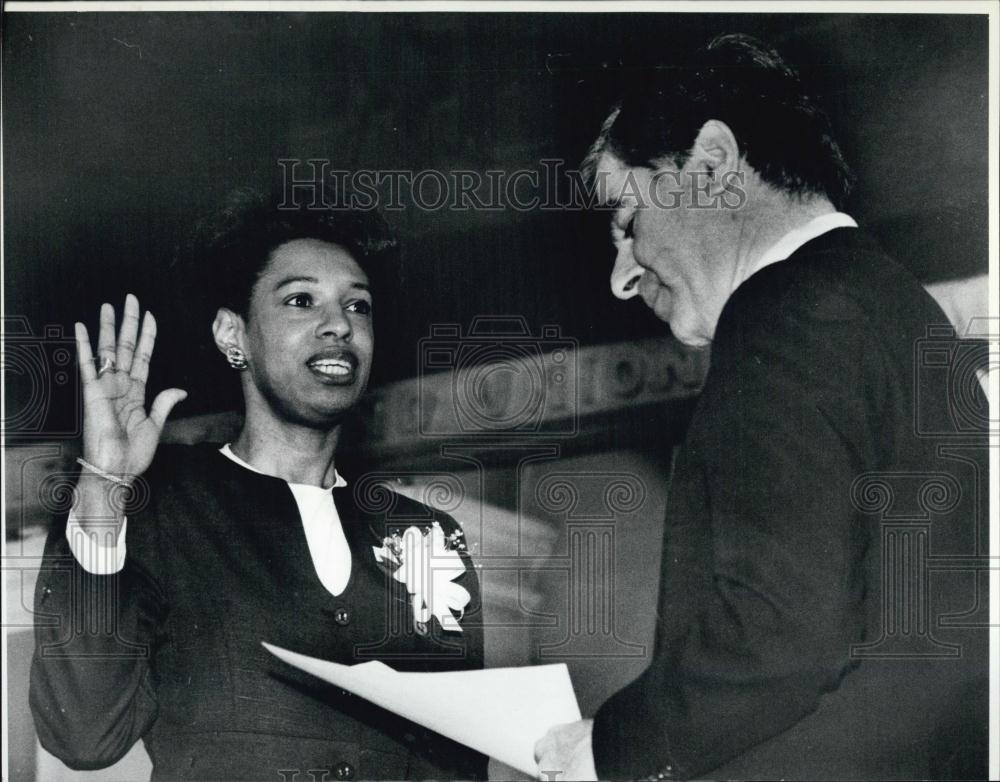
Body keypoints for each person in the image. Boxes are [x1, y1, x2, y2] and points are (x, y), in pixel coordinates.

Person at [535, 34, 989, 780]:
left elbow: (779, 631)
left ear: (711, 164)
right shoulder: (890, 308)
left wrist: (608, 748)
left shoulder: (780, 316)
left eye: (624, 219)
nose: (623, 275)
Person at [30, 191, 488, 781]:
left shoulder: (427, 537)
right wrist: (101, 490)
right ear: (233, 336)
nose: (339, 326)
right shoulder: (158, 507)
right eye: (302, 301)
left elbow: (457, 764)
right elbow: (84, 735)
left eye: (360, 306)